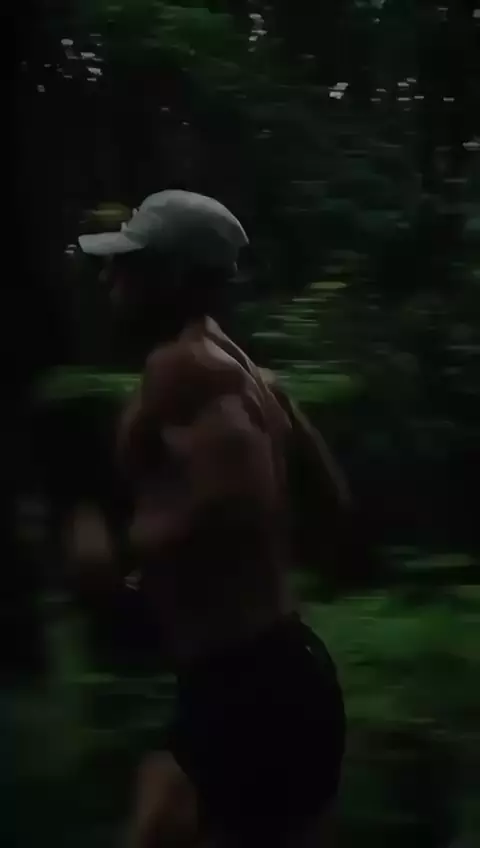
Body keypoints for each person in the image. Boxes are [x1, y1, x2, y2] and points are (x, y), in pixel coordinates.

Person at [78, 190, 348, 847]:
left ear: (172, 277)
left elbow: (235, 501)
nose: (109, 279)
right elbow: (332, 504)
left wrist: (119, 564)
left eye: (128, 265)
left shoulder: (184, 367)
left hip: (246, 694)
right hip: (278, 675)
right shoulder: (255, 377)